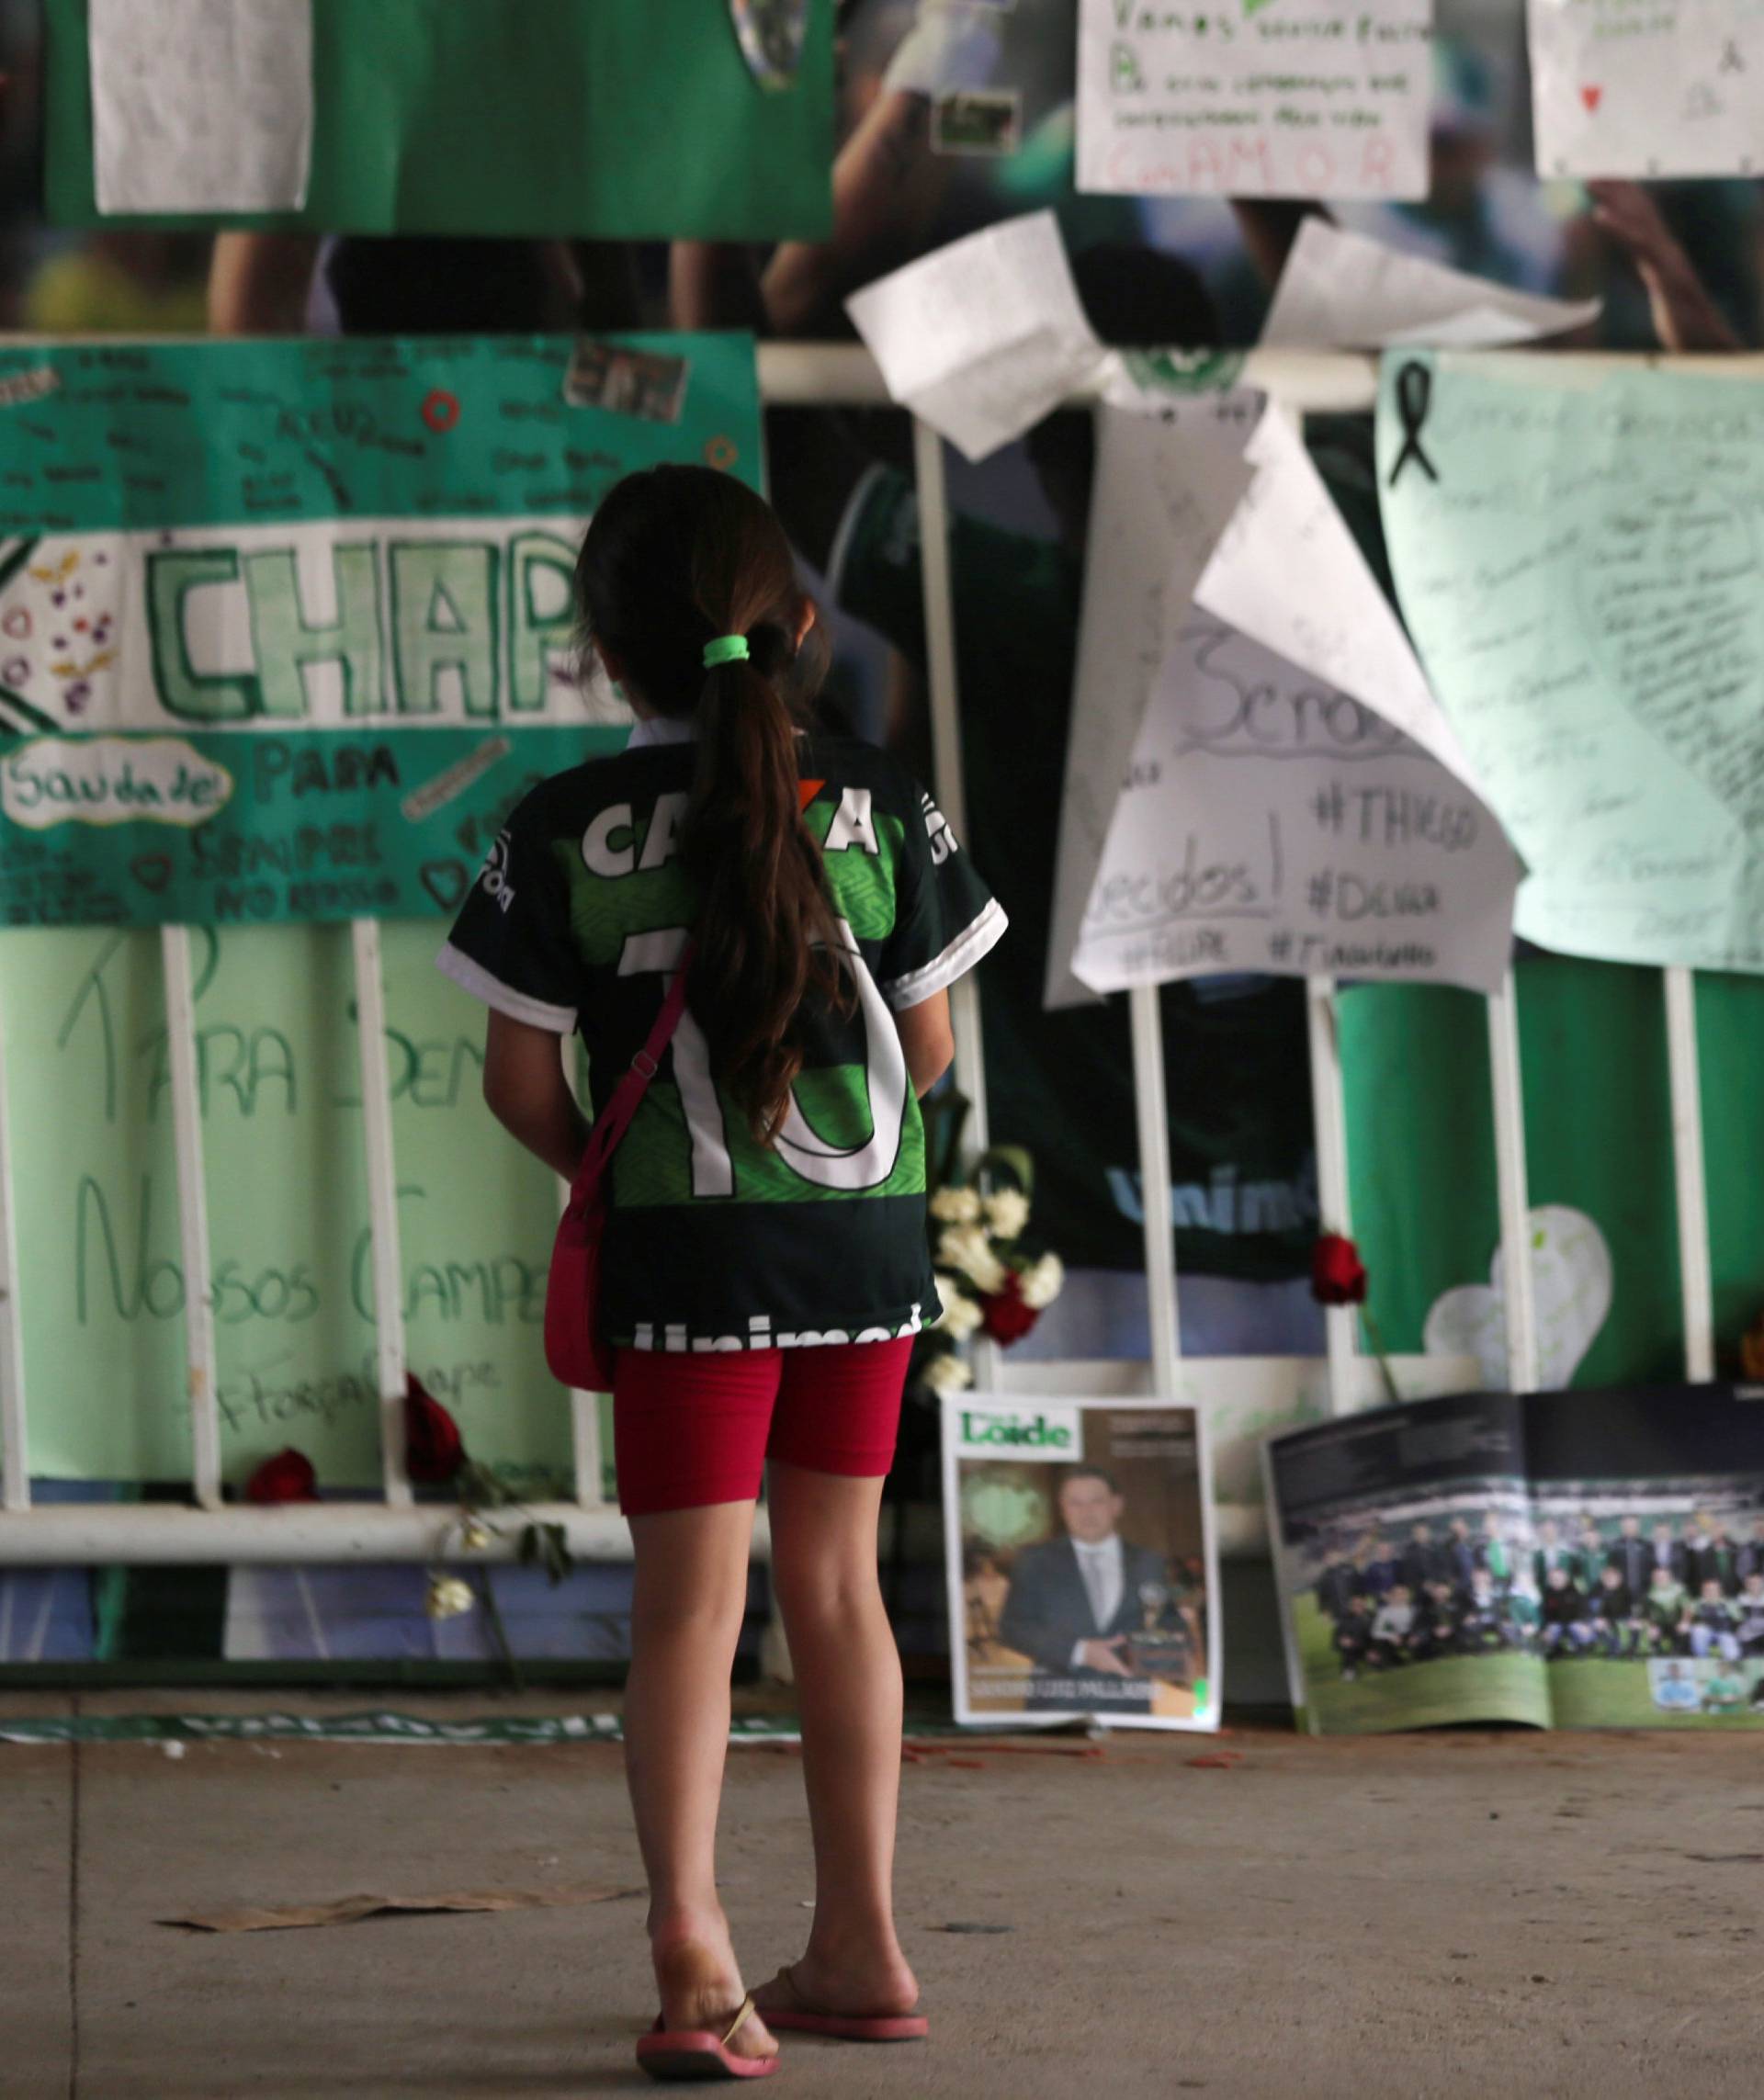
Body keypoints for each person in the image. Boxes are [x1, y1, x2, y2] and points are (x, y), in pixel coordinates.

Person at [440, 464, 1004, 2074]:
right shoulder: (886, 803)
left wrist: (620, 1184)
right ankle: (863, 1943)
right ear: (803, 628)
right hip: (869, 1251)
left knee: (691, 1606)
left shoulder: (561, 828)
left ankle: (695, 1942)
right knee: (838, 1587)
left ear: (604, 656)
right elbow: (936, 1043)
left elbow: (517, 1084)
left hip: (684, 1258)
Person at [996, 1467, 1173, 1709]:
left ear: (1116, 1505)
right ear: (1063, 1509)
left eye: (1096, 1501)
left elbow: (1168, 1620)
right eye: (1075, 1503)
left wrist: (1170, 1641)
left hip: (1129, 1705)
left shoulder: (1148, 1562)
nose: (1086, 1512)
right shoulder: (1034, 1561)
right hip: (1056, 1704)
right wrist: (1079, 1652)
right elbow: (1012, 1627)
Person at [1590, 1566, 1645, 1661]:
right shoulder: (1601, 1592)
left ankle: (1632, 1651)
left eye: (1612, 1578)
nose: (1609, 1581)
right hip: (1609, 1619)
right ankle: (1614, 1649)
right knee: (1597, 1625)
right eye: (1607, 1579)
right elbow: (1598, 1610)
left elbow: (1636, 1607)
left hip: (1626, 1617)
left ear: (1618, 1579)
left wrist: (1634, 1618)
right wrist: (1600, 1619)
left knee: (1636, 1625)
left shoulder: (1627, 1590)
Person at [1540, 1568, 1595, 1659]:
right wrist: (1544, 1629)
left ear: (1565, 1579)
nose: (1556, 1581)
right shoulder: (1548, 1593)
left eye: (1558, 1578)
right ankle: (1556, 1650)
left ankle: (1580, 1648)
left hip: (1575, 1623)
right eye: (1553, 1579)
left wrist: (1585, 1623)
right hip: (1557, 1624)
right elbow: (1545, 1613)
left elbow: (1585, 1609)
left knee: (1578, 1629)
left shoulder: (1575, 1591)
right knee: (1551, 1630)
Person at [1686, 1580, 1743, 1665]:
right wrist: (1685, 1622)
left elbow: (1739, 1619)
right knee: (1698, 1631)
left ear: (1720, 1591)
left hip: (1724, 1632)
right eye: (1707, 1590)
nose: (1710, 1593)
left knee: (1733, 1654)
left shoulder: (1728, 1603)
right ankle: (1703, 1661)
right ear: (1703, 1591)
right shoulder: (1698, 1602)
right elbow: (1687, 1613)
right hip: (1706, 1632)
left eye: (1713, 1590)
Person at [1369, 1585, 1421, 1669]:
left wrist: (1416, 1635)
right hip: (1394, 1637)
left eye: (1403, 1594)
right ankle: (1389, 1664)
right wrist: (1391, 1636)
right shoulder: (1385, 1612)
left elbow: (1420, 1625)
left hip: (1410, 1636)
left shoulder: (1412, 1609)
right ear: (1392, 1596)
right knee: (1381, 1642)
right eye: (1397, 1594)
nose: (1400, 1596)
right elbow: (1376, 1632)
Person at [1642, 1564, 1690, 1656]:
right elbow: (1645, 1612)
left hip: (1676, 1623)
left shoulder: (1679, 1589)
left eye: (1663, 1577)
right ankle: (1657, 1651)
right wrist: (1651, 1625)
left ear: (1669, 1577)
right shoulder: (1649, 1592)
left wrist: (1685, 1622)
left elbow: (1687, 1608)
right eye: (1657, 1577)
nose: (1660, 1579)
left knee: (1684, 1628)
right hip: (1659, 1624)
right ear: (1653, 1578)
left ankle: (1680, 1651)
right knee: (1651, 1631)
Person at [1607, 1515, 1655, 1600]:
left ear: (1638, 1526)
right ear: (1622, 1527)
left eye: (1633, 1526)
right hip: (1622, 1591)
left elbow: (1651, 1567)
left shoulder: (1647, 1545)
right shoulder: (1615, 1546)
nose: (1630, 1528)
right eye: (1627, 1526)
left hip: (1644, 1589)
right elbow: (1611, 1568)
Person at [1332, 1592, 1375, 1681]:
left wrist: (1373, 1650)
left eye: (1361, 1604)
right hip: (1355, 1648)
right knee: (1348, 1647)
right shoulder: (1344, 1621)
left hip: (1372, 1647)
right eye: (1355, 1605)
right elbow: (1335, 1641)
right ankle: (1349, 1671)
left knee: (1385, 1664)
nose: (1359, 1607)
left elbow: (1379, 1636)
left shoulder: (1373, 1616)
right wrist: (1342, 1641)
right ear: (1351, 1607)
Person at [1736, 1574, 1764, 1660]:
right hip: (1748, 1637)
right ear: (1746, 1585)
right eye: (1751, 1583)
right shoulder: (1740, 1599)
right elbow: (1739, 1621)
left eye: (1757, 1583)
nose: (1755, 1586)